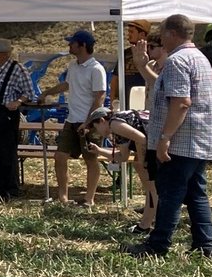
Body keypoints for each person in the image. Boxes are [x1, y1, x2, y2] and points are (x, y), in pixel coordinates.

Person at [129, 14, 212, 258]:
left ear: (171, 34)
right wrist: (142, 65)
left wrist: (165, 137)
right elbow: (166, 89)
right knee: (196, 193)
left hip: (181, 141)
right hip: (199, 140)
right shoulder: (198, 57)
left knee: (170, 193)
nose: (160, 40)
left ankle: (158, 245)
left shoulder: (177, 61)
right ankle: (205, 245)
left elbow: (181, 103)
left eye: (162, 35)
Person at [50, 29, 107, 206]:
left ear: (82, 45)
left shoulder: (96, 69)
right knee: (60, 156)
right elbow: (67, 84)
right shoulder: (73, 66)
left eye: (72, 42)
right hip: (72, 119)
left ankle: (89, 199)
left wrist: (88, 122)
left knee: (90, 159)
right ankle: (63, 198)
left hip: (90, 122)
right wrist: (47, 92)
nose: (69, 45)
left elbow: (100, 97)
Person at [80, 105, 156, 231]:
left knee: (152, 188)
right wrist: (99, 150)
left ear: (102, 120)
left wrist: (144, 162)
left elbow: (142, 139)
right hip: (155, 143)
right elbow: (122, 157)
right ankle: (146, 223)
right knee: (151, 189)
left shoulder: (115, 123)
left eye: (96, 127)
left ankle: (148, 225)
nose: (98, 132)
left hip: (157, 143)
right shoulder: (118, 128)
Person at [0, 37, 33, 201]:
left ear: (3, 54)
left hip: (5, 113)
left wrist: (18, 102)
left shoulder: (17, 69)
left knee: (6, 152)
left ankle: (11, 189)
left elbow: (29, 92)